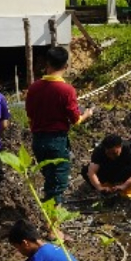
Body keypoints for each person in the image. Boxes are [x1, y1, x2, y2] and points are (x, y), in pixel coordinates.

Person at [25, 46, 93, 203]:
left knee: (49, 177)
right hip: (56, 140)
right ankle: (53, 221)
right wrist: (87, 114)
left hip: (38, 139)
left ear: (47, 63)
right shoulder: (66, 90)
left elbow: (30, 115)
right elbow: (76, 120)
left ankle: (48, 214)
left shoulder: (34, 87)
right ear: (66, 66)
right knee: (58, 181)